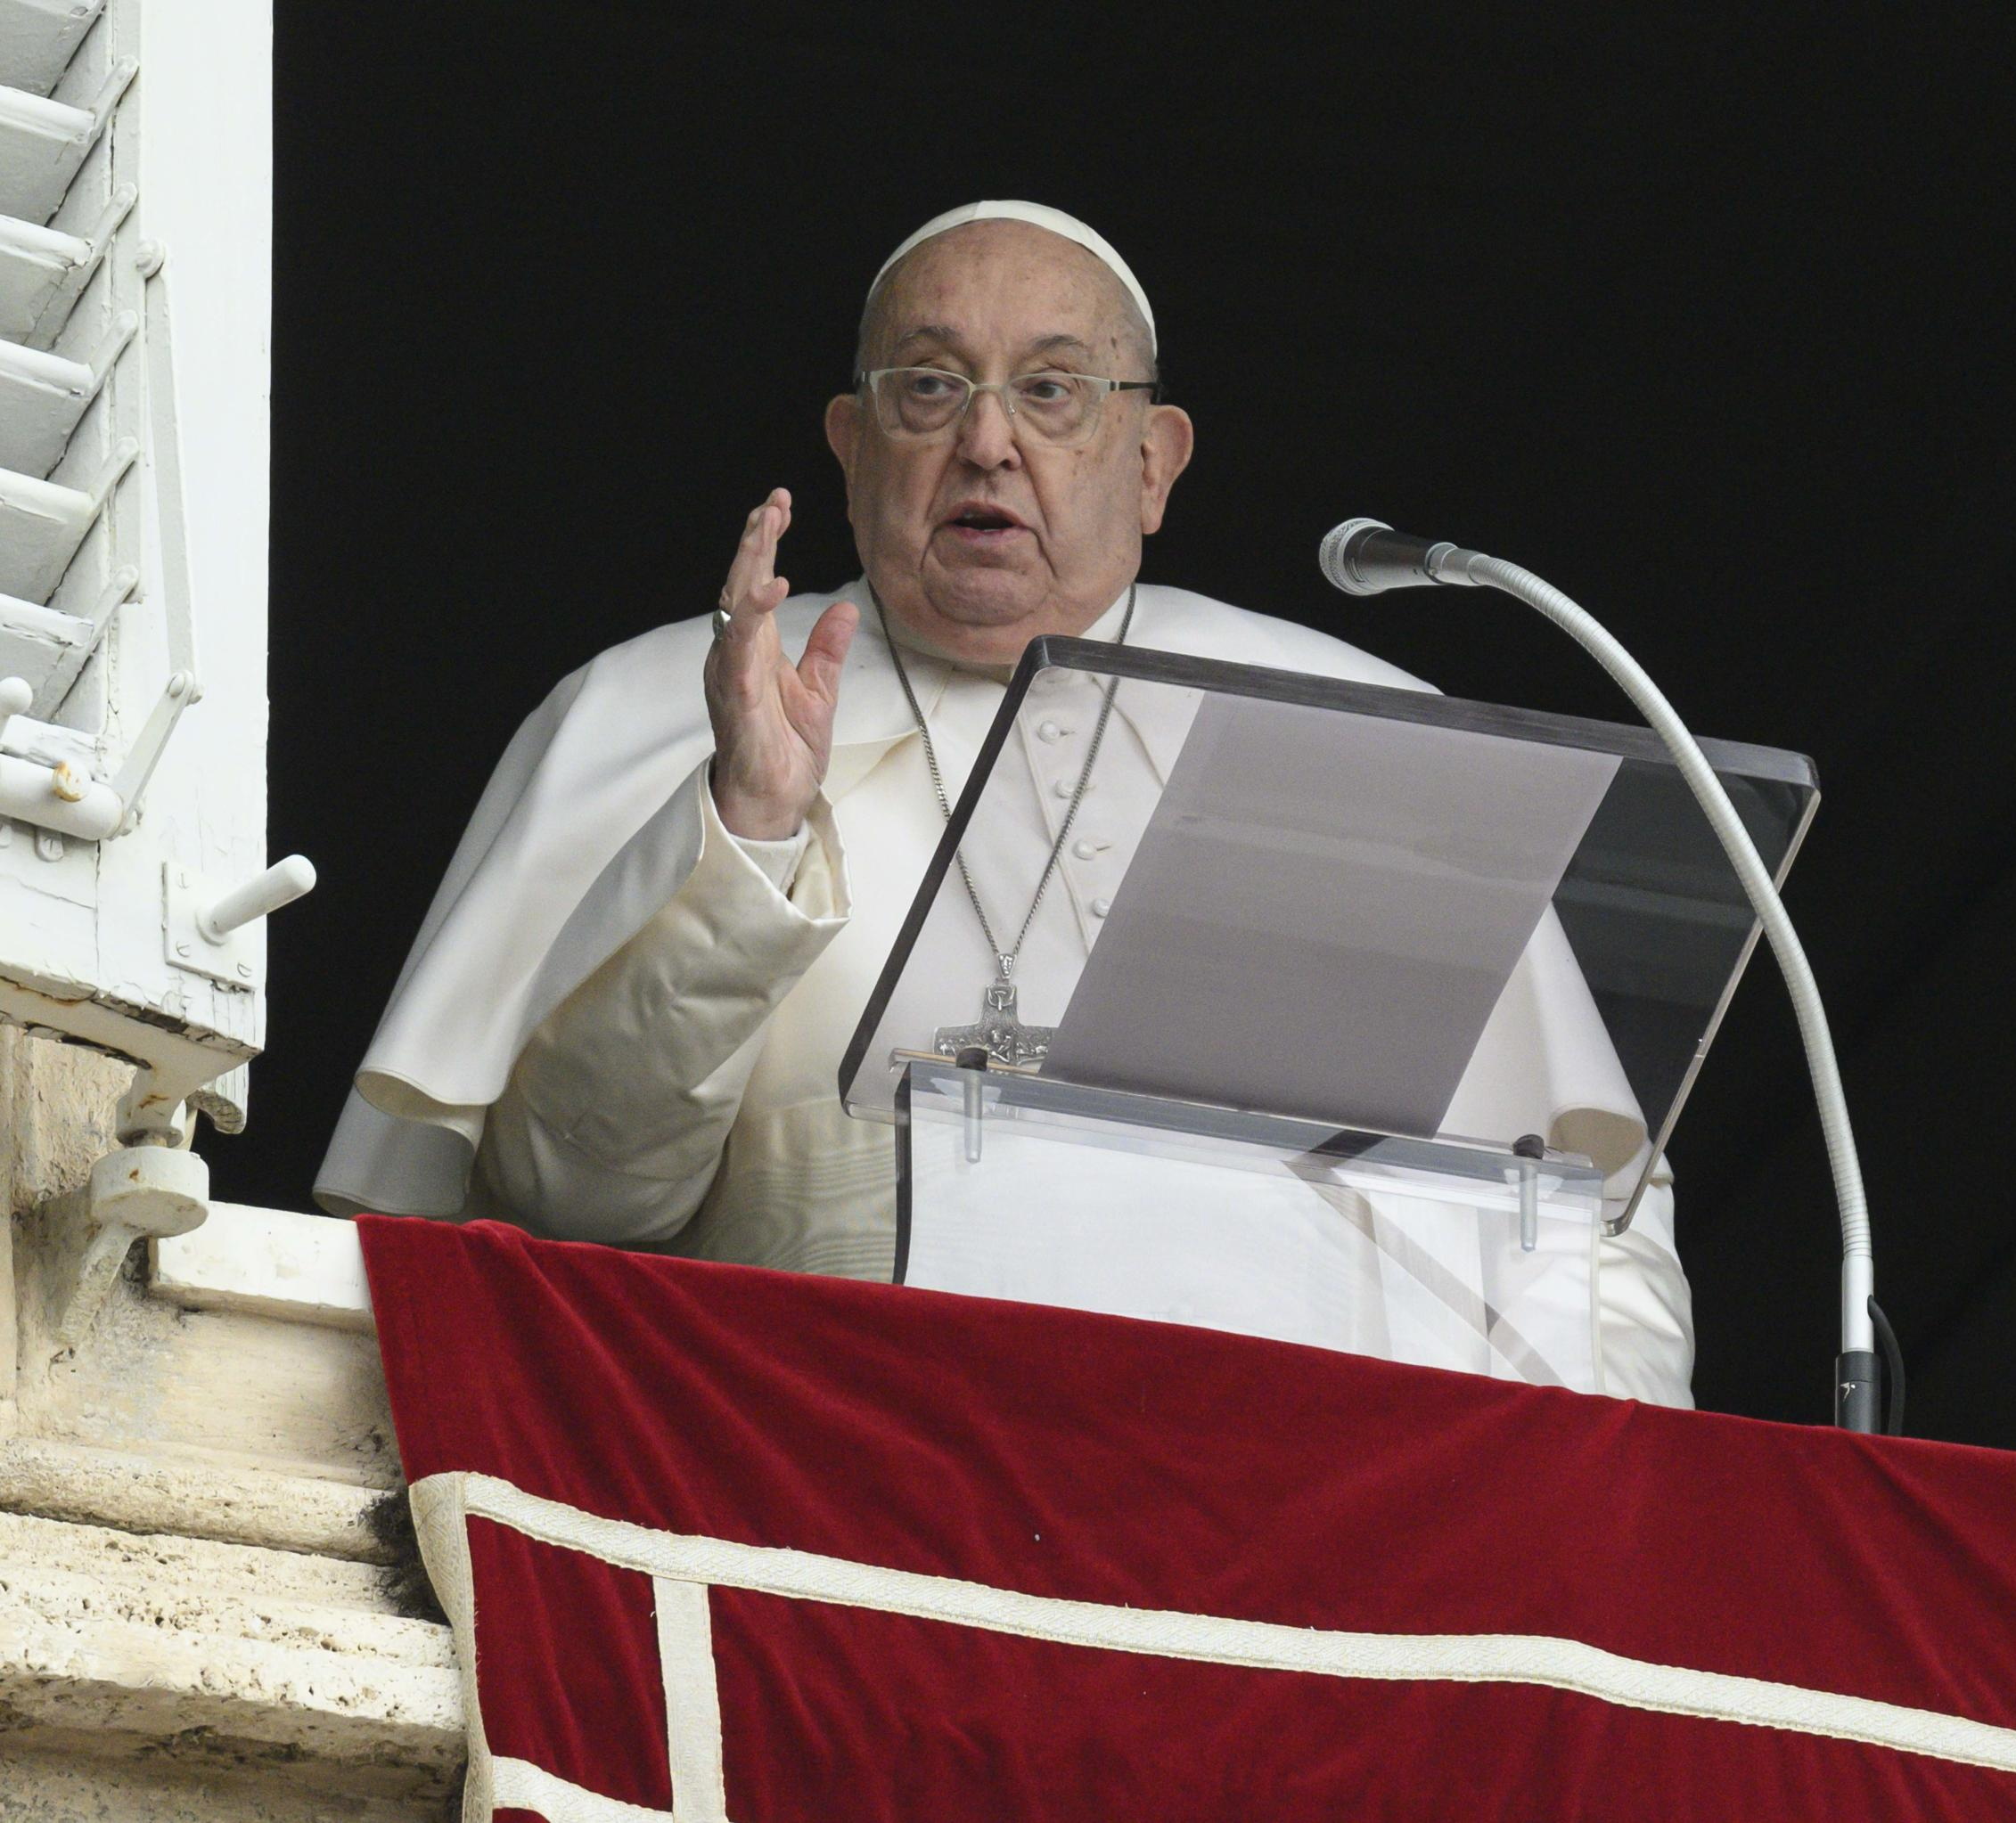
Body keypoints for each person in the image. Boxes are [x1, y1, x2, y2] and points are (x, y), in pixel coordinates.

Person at [318, 201, 1693, 1402]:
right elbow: (555, 1217)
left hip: (1300, 1549)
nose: (986, 441)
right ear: (854, 448)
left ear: (1152, 461)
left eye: (1053, 391)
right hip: (832, 1520)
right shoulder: (654, 707)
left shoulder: (1366, 730)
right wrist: (747, 831)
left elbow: (1589, 1227)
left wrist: (1592, 1524)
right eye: (930, 388)